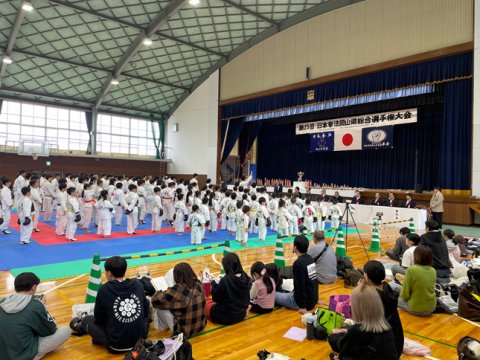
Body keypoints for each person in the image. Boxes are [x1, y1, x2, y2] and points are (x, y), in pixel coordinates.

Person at [80, 256, 149, 353]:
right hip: (141, 341)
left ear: (109, 273)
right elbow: (146, 312)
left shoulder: (104, 289)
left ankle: (97, 338)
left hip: (117, 346)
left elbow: (99, 319)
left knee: (86, 320)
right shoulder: (137, 284)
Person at [0, 272, 70, 360]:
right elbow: (50, 330)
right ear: (34, 287)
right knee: (66, 330)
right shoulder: (36, 305)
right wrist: (43, 306)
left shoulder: (3, 301)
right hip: (23, 355)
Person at [328, 283, 397, 360]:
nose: (350, 304)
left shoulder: (356, 331)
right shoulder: (387, 326)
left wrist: (340, 357)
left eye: (352, 303)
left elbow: (344, 349)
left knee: (333, 339)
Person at [151, 263, 206, 338]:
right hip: (201, 326)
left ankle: (163, 328)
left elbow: (154, 301)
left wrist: (160, 291)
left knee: (162, 307)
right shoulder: (198, 283)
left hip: (183, 332)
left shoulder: (177, 289)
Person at [362, 261, 404, 358]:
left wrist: (359, 291)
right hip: (396, 344)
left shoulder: (372, 296)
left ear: (367, 276)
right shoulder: (386, 286)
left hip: (379, 347)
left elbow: (357, 317)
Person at [274, 235, 317, 313]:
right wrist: (315, 299)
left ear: (295, 247)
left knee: (271, 295)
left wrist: (303, 307)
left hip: (300, 303)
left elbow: (301, 286)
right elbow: (314, 281)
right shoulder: (310, 259)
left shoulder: (298, 264)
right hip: (311, 300)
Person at [205, 253, 250, 325]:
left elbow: (216, 298)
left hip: (225, 317)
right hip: (241, 314)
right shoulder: (246, 277)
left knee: (205, 303)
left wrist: (213, 284)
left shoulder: (226, 280)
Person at [398, 245, 437, 316]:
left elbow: (405, 294)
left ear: (416, 256)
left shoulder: (411, 270)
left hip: (416, 309)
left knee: (396, 297)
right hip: (432, 307)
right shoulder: (433, 270)